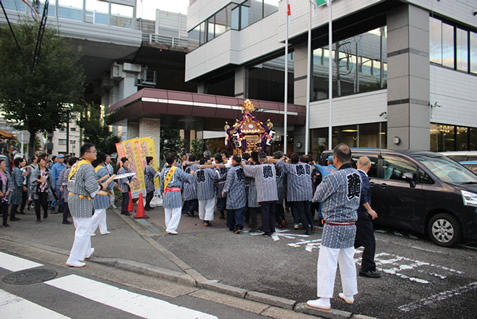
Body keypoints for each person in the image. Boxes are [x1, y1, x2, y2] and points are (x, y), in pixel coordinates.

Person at [307, 144, 361, 310]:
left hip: (334, 224)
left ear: (335, 158)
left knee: (327, 262)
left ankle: (324, 299)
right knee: (347, 260)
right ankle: (349, 294)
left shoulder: (334, 176)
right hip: (351, 223)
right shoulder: (357, 174)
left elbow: (317, 196)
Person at [66, 143, 112, 268]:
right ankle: (73, 258)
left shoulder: (76, 165)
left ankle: (85, 251)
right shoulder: (87, 167)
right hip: (81, 199)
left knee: (83, 228)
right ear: (86, 154)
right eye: (94, 151)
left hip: (73, 197)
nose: (95, 154)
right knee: (82, 229)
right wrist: (102, 186)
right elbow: (91, 188)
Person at [276, 153, 314, 235]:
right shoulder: (308, 167)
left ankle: (308, 229)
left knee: (301, 211)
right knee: (307, 210)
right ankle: (312, 225)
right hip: (308, 191)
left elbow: (279, 163)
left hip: (298, 193)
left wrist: (284, 159)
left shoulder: (290, 167)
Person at [355, 156, 380, 278]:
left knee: (357, 240)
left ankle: (340, 254)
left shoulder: (354, 175)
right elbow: (362, 193)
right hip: (362, 213)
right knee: (370, 241)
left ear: (357, 164)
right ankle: (367, 268)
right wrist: (369, 209)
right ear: (369, 167)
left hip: (354, 212)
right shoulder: (363, 177)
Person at [243, 152, 278, 236]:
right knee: (272, 213)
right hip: (273, 193)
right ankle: (272, 228)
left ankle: (266, 230)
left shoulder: (257, 168)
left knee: (265, 213)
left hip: (264, 194)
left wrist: (244, 163)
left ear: (259, 160)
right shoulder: (272, 166)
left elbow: (246, 169)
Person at [160, 152, 195, 235]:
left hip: (166, 192)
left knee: (167, 210)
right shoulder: (176, 170)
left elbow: (161, 183)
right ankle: (171, 228)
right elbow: (186, 177)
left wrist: (162, 191)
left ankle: (168, 226)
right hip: (175, 192)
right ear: (174, 161)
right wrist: (192, 174)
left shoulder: (163, 170)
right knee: (176, 210)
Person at [90, 152, 116, 236]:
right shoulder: (102, 170)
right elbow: (107, 181)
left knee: (102, 211)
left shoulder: (95, 169)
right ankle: (89, 229)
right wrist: (111, 187)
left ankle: (103, 229)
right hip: (101, 192)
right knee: (99, 212)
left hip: (97, 191)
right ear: (102, 160)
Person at [222, 154, 246, 234]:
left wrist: (225, 190)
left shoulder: (232, 170)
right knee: (240, 209)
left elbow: (229, 181)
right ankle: (238, 225)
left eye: (232, 160)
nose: (231, 161)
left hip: (233, 191)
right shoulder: (242, 168)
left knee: (231, 209)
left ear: (235, 161)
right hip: (242, 190)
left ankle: (232, 225)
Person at [196, 157, 219, 226]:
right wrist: (217, 170)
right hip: (209, 190)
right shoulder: (208, 169)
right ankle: (206, 220)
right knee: (209, 205)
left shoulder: (197, 171)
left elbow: (194, 182)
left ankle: (203, 218)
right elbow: (215, 176)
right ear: (205, 163)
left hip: (200, 191)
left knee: (202, 206)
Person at [31, 154, 54, 224]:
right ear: (39, 163)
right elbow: (32, 179)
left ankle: (45, 211)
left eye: (44, 161)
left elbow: (50, 180)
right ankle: (38, 218)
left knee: (44, 202)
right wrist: (39, 180)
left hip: (45, 189)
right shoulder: (36, 170)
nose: (43, 163)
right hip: (37, 189)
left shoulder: (48, 170)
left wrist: (53, 187)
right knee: (37, 203)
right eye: (42, 161)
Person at [59, 157, 77, 224]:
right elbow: (64, 179)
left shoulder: (69, 169)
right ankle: (65, 219)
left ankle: (65, 218)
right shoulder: (70, 170)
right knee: (67, 204)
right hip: (68, 189)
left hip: (68, 188)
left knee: (67, 204)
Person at [9, 157, 25, 222]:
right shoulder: (17, 170)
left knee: (15, 203)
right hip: (16, 189)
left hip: (15, 188)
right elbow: (18, 181)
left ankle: (12, 216)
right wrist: (22, 186)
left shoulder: (16, 170)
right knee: (15, 203)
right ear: (19, 163)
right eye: (22, 162)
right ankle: (12, 216)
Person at [0, 159, 13, 227]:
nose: (4, 165)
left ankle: (5, 222)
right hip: (0, 192)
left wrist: (9, 190)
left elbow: (10, 182)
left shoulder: (6, 173)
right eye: (3, 164)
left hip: (5, 193)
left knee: (5, 208)